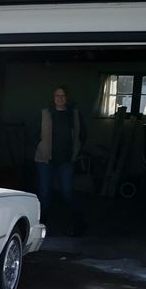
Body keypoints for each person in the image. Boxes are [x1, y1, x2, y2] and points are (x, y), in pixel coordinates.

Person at [34, 86, 87, 235]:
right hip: (45, 160)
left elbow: (82, 134)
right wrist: (40, 147)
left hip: (66, 160)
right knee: (44, 193)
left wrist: (76, 151)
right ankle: (41, 225)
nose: (60, 98)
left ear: (67, 98)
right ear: (53, 97)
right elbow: (34, 133)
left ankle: (79, 223)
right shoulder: (44, 113)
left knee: (67, 191)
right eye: (57, 95)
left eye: (63, 95)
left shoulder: (74, 114)